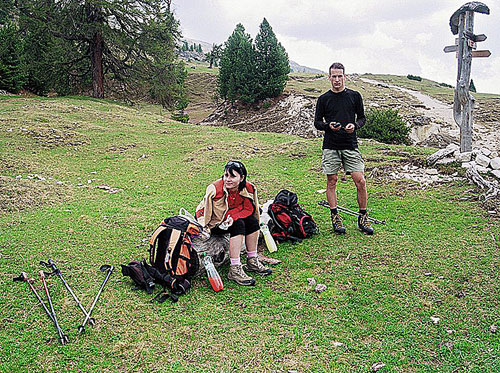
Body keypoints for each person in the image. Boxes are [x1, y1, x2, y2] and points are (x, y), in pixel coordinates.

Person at [314, 62, 374, 235]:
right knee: (331, 180)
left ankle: (363, 216)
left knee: (360, 180)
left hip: (350, 144)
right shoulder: (323, 99)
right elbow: (317, 122)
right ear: (329, 78)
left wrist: (354, 126)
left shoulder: (355, 96)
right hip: (330, 145)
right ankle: (335, 216)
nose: (337, 80)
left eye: (340, 76)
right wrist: (328, 126)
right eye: (334, 76)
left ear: (345, 77)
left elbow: (362, 118)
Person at [196, 161, 272, 286]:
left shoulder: (247, 188)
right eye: (226, 175)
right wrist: (204, 227)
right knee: (239, 224)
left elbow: (249, 209)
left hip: (229, 220)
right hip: (214, 223)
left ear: (242, 178)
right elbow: (203, 210)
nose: (228, 179)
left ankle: (252, 260)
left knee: (252, 221)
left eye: (232, 176)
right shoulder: (215, 189)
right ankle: (235, 268)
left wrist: (233, 216)